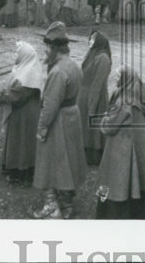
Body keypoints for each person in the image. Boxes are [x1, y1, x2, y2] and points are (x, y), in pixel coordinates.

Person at [32, 22, 87, 219]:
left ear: (55, 48)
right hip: (72, 116)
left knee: (50, 162)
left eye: (47, 47)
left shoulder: (57, 72)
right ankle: (66, 203)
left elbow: (50, 105)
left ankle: (52, 206)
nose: (45, 51)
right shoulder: (73, 65)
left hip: (59, 121)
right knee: (68, 160)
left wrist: (42, 128)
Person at [94, 66, 145, 219]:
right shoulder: (137, 95)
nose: (115, 79)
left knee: (116, 179)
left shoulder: (123, 101)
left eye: (118, 76)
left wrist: (104, 119)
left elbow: (109, 126)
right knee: (135, 178)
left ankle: (115, 214)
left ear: (126, 79)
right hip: (136, 145)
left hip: (121, 147)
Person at [0, 41, 44, 184]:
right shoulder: (23, 68)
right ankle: (16, 167)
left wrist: (0, 97)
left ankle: (21, 171)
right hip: (21, 112)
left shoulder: (30, 72)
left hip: (25, 113)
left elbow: (19, 96)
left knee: (22, 141)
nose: (16, 55)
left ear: (25, 55)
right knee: (18, 140)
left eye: (18, 52)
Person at [79, 31, 112, 165]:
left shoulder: (103, 58)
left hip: (95, 95)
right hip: (84, 93)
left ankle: (94, 155)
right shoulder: (92, 53)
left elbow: (97, 84)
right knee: (84, 126)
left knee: (92, 125)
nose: (90, 41)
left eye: (93, 39)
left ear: (99, 41)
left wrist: (92, 105)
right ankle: (83, 152)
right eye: (90, 38)